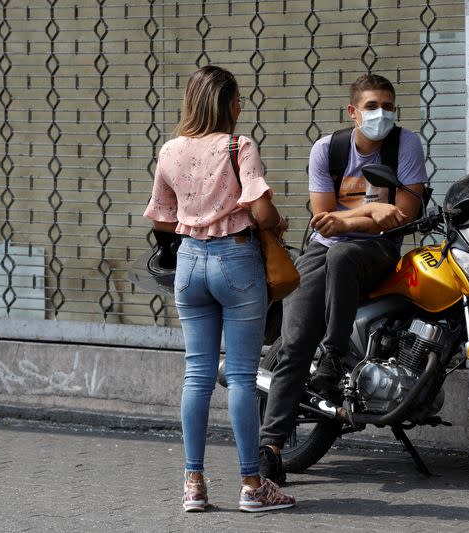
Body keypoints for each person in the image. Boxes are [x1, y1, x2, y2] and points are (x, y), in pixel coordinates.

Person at [258, 73, 428, 483]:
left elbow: (404, 213)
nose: (381, 114)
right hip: (322, 250)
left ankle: (333, 355)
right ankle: (269, 449)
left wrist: (352, 218)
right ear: (353, 112)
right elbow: (323, 219)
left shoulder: (405, 145)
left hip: (378, 251)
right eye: (371, 107)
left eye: (388, 105)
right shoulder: (327, 150)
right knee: (295, 342)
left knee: (346, 255)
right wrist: (370, 212)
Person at [143, 65, 295, 513]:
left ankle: (193, 484)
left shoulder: (170, 150)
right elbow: (262, 210)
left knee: (197, 375)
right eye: (238, 100)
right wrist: (277, 221)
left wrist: (195, 221)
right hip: (236, 260)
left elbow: (159, 217)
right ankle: (252, 484)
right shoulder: (238, 146)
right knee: (243, 379)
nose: (241, 107)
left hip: (189, 264)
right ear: (229, 104)